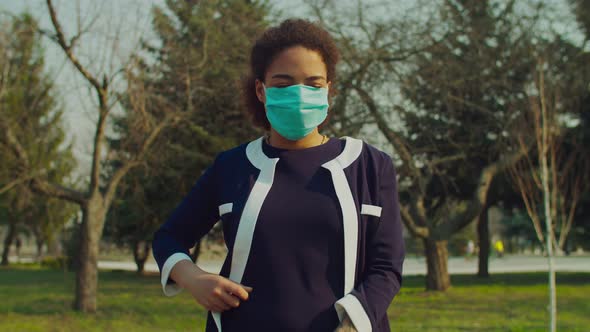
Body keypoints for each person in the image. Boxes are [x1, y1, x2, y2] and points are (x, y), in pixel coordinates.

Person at [152, 18, 405, 332]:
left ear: (328, 90)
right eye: (284, 84)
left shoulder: (369, 165)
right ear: (261, 89)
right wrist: (195, 279)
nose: (299, 96)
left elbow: (387, 267)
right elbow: (168, 238)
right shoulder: (232, 166)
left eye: (313, 84)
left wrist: (353, 324)